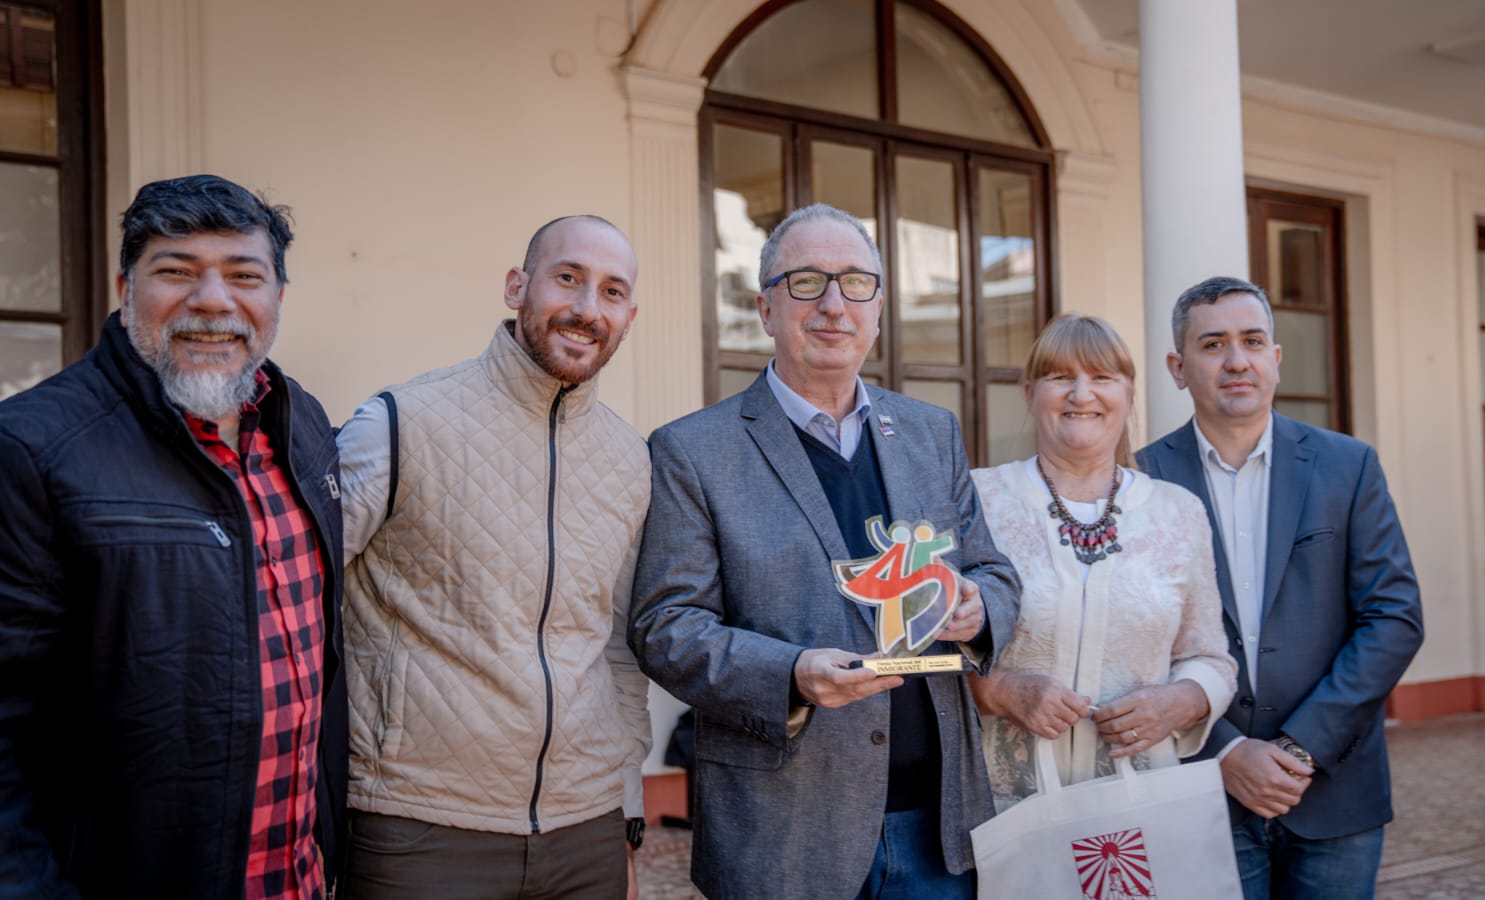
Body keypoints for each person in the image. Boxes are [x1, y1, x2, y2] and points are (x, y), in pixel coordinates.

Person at [630, 203, 1021, 900]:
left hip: (936, 826)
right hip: (783, 830)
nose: (834, 305)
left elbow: (993, 571)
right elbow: (666, 627)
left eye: (856, 283)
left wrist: (977, 607)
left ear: (879, 309)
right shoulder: (692, 451)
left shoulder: (931, 432)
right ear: (765, 308)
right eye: (806, 282)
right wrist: (791, 675)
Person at [0, 174, 347, 898]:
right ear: (126, 289)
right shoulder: (31, 450)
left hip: (298, 879)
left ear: (278, 296)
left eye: (244, 275)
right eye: (177, 271)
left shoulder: (302, 425)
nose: (213, 301)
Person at [337, 215, 651, 899]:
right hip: (419, 825)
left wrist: (625, 810)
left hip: (586, 831)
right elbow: (295, 603)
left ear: (629, 317)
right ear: (517, 287)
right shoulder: (397, 423)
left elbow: (617, 648)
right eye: (567, 277)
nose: (587, 308)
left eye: (612, 291)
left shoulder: (632, 460)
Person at [1137, 276, 1425, 899]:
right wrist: (1226, 751)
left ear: (1275, 357)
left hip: (1334, 784)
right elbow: (1132, 638)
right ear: (1178, 368)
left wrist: (1301, 749)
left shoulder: (1348, 466)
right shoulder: (1139, 479)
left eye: (1251, 341)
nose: (1236, 360)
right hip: (1198, 783)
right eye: (1212, 344)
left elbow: (1394, 617)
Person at [968, 314, 1236, 807]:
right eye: (1060, 376)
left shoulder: (1179, 512)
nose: (1081, 393)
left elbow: (1211, 657)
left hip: (1140, 806)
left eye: (1102, 377)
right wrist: (998, 691)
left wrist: (1179, 701)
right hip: (1002, 806)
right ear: (1029, 393)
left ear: (1129, 395)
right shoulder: (976, 500)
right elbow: (921, 651)